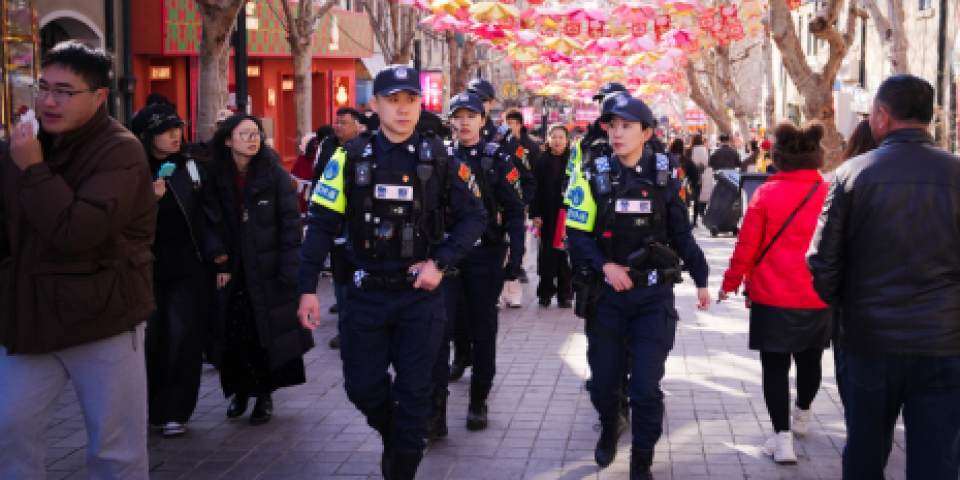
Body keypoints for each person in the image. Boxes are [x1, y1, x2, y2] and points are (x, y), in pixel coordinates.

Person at [297, 65, 487, 480]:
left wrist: (440, 262)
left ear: (421, 105)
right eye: (393, 100)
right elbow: (322, 222)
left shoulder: (442, 158)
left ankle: (401, 466)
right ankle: (397, 434)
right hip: (365, 292)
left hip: (420, 295)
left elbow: (475, 217)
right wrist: (307, 287)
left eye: (411, 100)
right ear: (375, 105)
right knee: (361, 387)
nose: (403, 109)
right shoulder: (348, 157)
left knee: (415, 392)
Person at [0, 41, 156, 478]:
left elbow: (76, 233)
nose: (49, 101)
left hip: (102, 315)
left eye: (65, 92)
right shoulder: (25, 143)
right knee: (9, 431)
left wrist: (33, 169)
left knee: (113, 448)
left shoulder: (121, 150)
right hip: (28, 316)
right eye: (43, 87)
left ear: (100, 96)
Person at [808, 74, 960, 480]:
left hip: (868, 340)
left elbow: (821, 261)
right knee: (937, 459)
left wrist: (845, 309)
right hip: (945, 342)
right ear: (930, 117)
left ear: (882, 115)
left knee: (864, 451)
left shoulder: (852, 174)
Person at [566, 95, 711, 479]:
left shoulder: (667, 174)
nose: (617, 133)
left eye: (626, 126)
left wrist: (702, 279)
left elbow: (681, 232)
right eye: (612, 125)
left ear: (646, 133)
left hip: (652, 298)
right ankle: (609, 428)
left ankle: (641, 461)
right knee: (603, 388)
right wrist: (605, 266)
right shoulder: (591, 172)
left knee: (646, 388)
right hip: (608, 298)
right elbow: (576, 236)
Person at [718, 122, 832, 464]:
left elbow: (747, 246)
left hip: (772, 296)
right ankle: (802, 418)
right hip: (818, 295)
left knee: (775, 368)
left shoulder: (766, 193)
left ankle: (782, 441)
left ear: (779, 158)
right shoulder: (830, 192)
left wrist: (729, 282)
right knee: (811, 361)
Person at [428, 92, 526, 440]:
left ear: (483, 120)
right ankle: (435, 413)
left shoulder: (499, 158)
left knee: (483, 328)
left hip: (486, 255)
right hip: (448, 256)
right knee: (440, 330)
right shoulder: (440, 156)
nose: (464, 122)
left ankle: (478, 402)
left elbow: (515, 210)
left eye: (471, 115)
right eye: (458, 116)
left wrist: (516, 256)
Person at [206, 114, 313, 426]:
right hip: (234, 266)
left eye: (256, 133)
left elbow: (291, 223)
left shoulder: (274, 173)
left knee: (265, 332)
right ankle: (240, 391)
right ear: (228, 140)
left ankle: (264, 395)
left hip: (267, 265)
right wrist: (220, 259)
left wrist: (289, 266)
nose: (253, 139)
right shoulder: (217, 174)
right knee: (234, 333)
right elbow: (210, 221)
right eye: (245, 134)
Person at [130, 102, 227, 437]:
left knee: (183, 337)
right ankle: (147, 407)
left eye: (177, 129)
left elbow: (211, 214)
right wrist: (148, 200)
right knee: (149, 339)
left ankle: (174, 411)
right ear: (145, 136)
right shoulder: (131, 169)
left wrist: (218, 254)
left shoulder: (192, 166)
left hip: (188, 264)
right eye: (166, 130)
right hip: (144, 267)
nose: (176, 136)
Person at [530, 124, 574, 308]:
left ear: (567, 140)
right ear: (548, 139)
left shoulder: (573, 162)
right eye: (553, 137)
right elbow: (534, 191)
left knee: (565, 254)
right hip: (547, 214)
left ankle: (565, 294)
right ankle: (545, 292)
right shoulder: (541, 162)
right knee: (546, 253)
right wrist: (535, 214)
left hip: (567, 214)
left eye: (560, 137)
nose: (557, 141)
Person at [689, 134, 710, 226]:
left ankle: (687, 219)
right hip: (699, 176)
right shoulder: (703, 149)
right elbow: (705, 163)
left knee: (687, 198)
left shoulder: (689, 149)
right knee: (697, 198)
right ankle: (694, 220)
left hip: (689, 176)